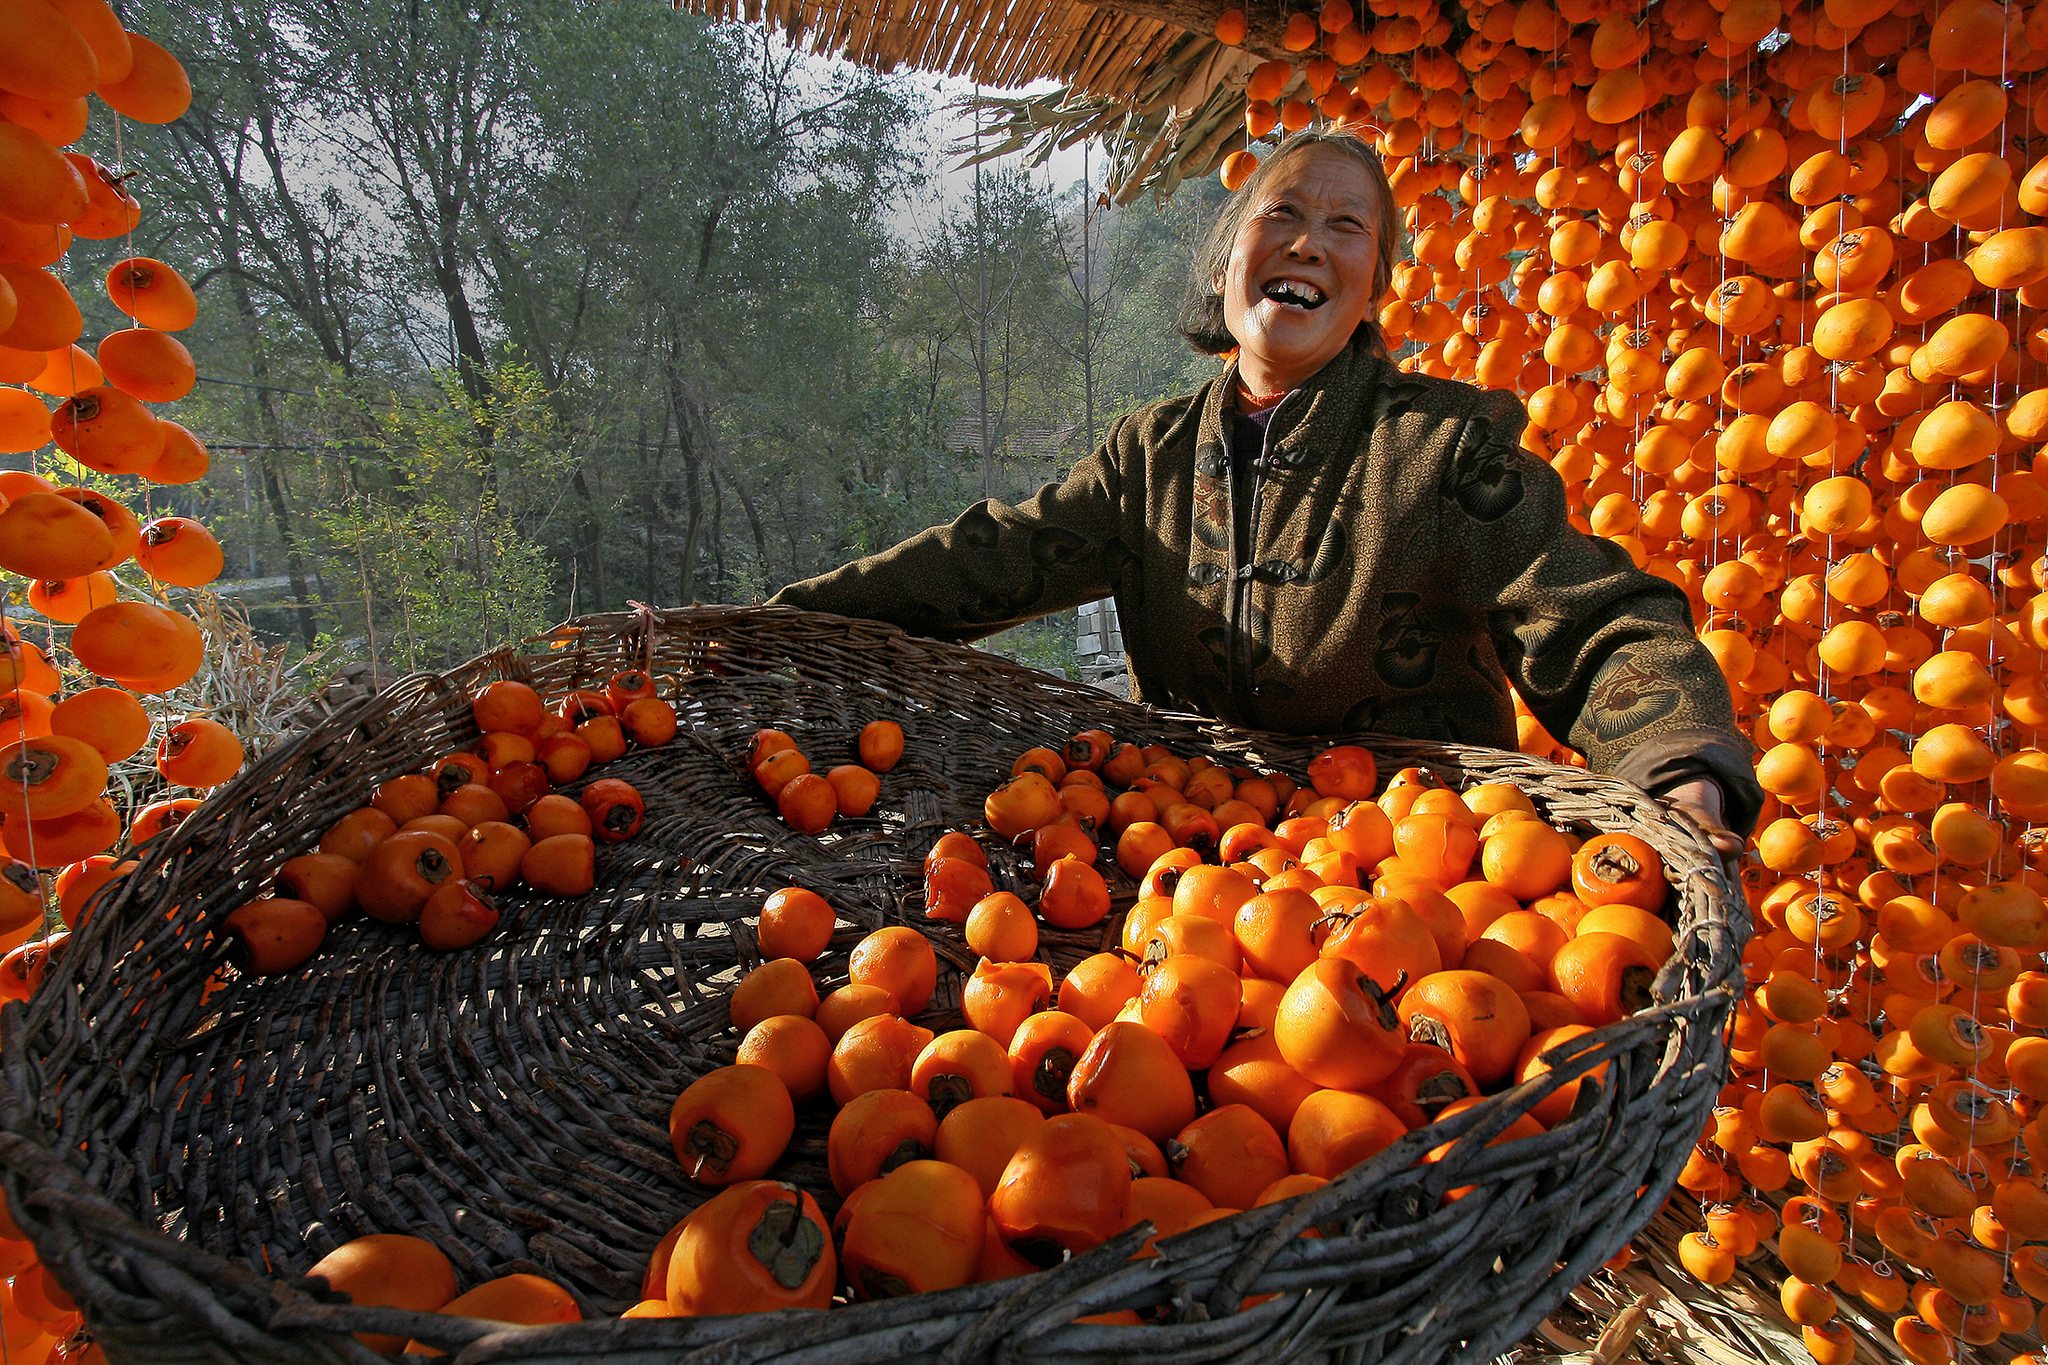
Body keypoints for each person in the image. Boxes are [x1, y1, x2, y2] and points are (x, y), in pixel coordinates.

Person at [771, 129, 1762, 855]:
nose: (1304, 241)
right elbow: (979, 566)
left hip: (1417, 882)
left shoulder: (1442, 450)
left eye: (1345, 226)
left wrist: (1677, 770)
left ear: (1371, 287)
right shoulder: (1146, 459)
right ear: (1226, 257)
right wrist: (772, 625)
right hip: (1197, 869)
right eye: (1278, 213)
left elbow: (1588, 620)